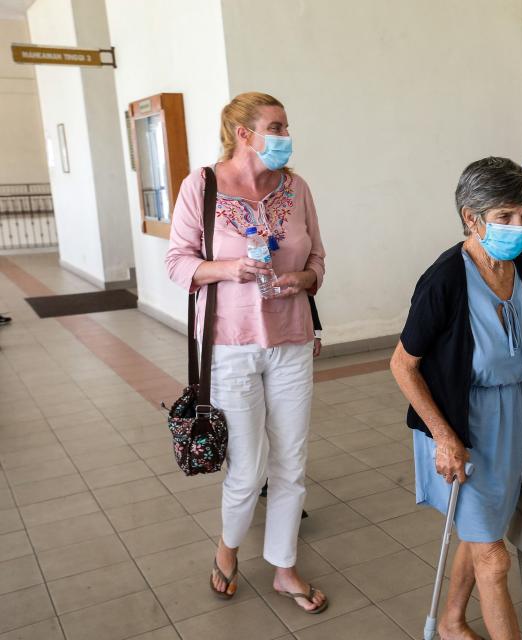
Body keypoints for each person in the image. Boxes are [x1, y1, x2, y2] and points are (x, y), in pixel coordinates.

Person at [165, 92, 328, 614]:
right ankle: (228, 548)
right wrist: (229, 270)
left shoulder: (296, 187)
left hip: (292, 340)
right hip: (228, 345)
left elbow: (318, 259)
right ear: (244, 134)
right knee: (248, 465)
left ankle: (283, 567)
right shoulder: (203, 185)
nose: (285, 135)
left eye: (286, 125)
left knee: (291, 462)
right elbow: (177, 262)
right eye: (275, 126)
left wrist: (302, 278)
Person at [391, 157, 522, 640]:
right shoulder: (444, 280)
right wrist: (443, 437)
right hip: (461, 425)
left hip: (510, 422)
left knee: (483, 529)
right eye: (505, 217)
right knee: (493, 555)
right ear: (472, 217)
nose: (518, 227)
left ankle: (452, 620)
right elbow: (403, 365)